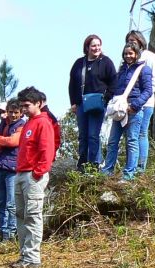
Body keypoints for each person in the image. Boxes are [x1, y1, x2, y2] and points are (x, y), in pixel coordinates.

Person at [12, 87, 56, 268]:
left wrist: (38, 172)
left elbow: (47, 151)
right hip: (21, 174)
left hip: (33, 175)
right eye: (21, 106)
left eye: (26, 105)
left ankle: (32, 257)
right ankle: (24, 255)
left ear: (38, 103)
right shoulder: (28, 123)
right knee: (21, 216)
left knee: (32, 215)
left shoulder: (43, 123)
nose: (23, 109)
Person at [101, 42, 153, 181]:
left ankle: (129, 174)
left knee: (131, 141)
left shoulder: (144, 69)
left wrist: (135, 105)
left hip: (133, 110)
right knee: (112, 141)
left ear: (136, 53)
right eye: (125, 53)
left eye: (130, 53)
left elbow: (148, 90)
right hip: (119, 110)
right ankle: (107, 171)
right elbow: (115, 89)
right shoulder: (122, 70)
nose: (128, 56)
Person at [68, 34, 117, 172]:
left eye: (98, 45)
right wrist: (73, 102)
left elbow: (114, 81)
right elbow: (72, 83)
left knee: (93, 134)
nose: (96, 48)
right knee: (83, 135)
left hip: (98, 102)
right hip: (81, 103)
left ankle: (94, 163)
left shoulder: (106, 62)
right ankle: (82, 163)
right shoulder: (79, 63)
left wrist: (106, 97)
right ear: (87, 47)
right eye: (93, 45)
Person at [0, 99, 26, 241]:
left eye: (16, 112)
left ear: (21, 113)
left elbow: (14, 141)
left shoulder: (22, 125)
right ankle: (4, 234)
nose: (13, 115)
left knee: (11, 203)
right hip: (0, 166)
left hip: (13, 168)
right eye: (11, 112)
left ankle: (11, 234)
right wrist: (3, 140)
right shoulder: (2, 125)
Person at [125, 30, 155, 174]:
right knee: (130, 135)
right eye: (129, 40)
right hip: (129, 105)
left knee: (141, 133)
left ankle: (141, 168)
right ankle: (130, 166)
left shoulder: (149, 56)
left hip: (145, 104)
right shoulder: (127, 56)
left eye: (134, 40)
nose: (132, 42)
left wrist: (141, 99)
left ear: (140, 40)